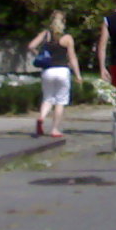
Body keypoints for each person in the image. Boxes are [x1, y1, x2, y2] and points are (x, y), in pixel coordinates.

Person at [25, 10, 82, 138]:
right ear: (64, 22)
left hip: (48, 71)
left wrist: (39, 55)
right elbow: (72, 58)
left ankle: (41, 117)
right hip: (62, 71)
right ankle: (54, 129)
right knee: (60, 101)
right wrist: (78, 75)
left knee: (47, 98)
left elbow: (31, 46)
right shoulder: (67, 38)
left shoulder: (46, 34)